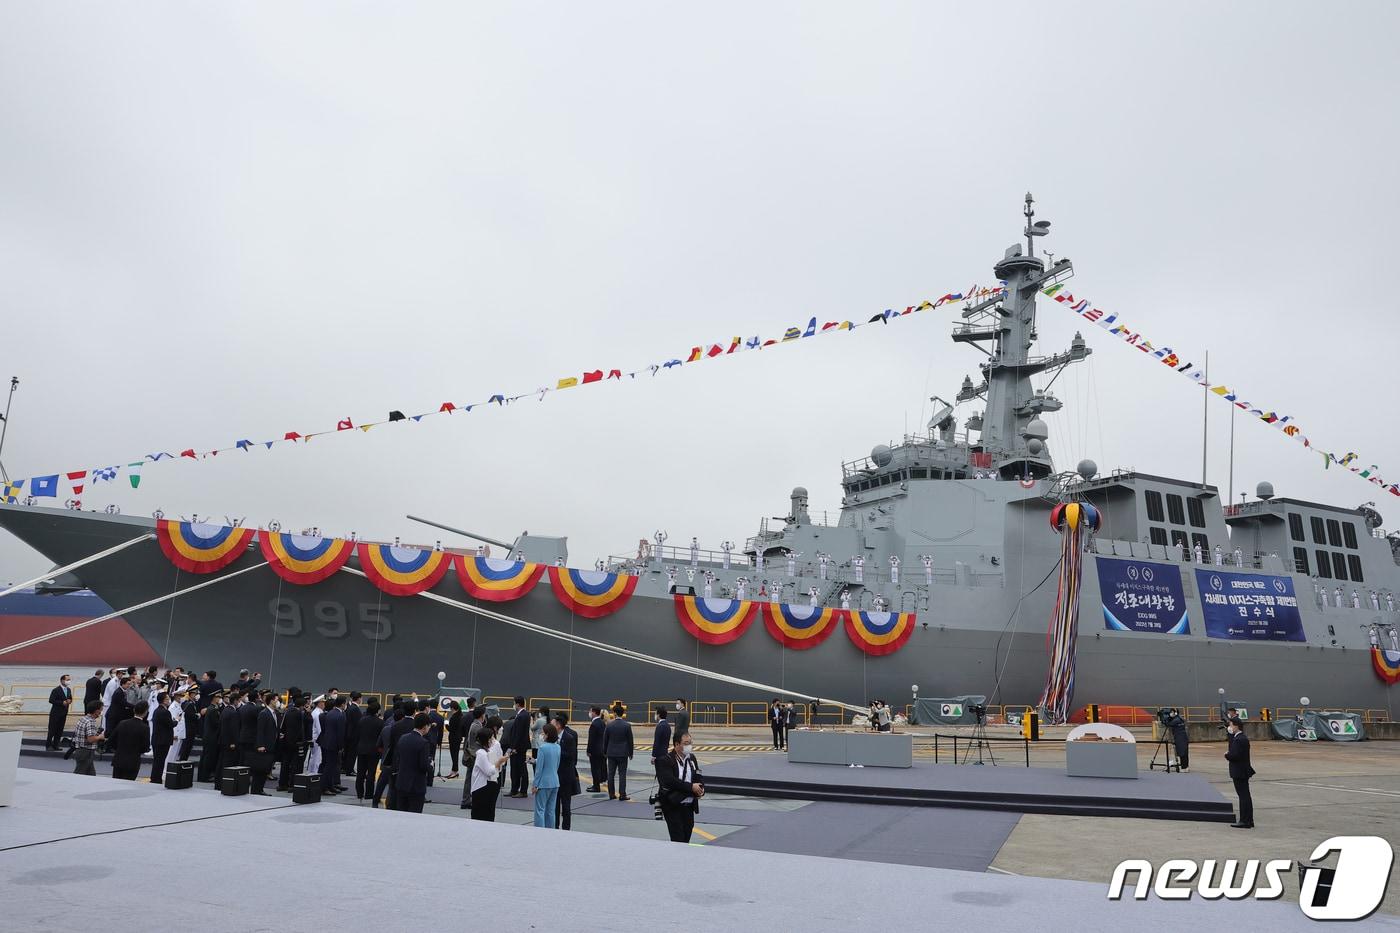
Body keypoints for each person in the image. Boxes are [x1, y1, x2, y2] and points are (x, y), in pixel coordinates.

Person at [655, 732, 704, 843]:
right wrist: (691, 787)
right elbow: (670, 781)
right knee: (678, 839)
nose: (689, 746)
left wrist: (701, 788)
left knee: (686, 838)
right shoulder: (665, 760)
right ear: (677, 744)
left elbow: (698, 775)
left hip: (689, 806)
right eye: (686, 743)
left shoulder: (692, 758)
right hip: (673, 806)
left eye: (690, 743)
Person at [393, 713, 434, 813]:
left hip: (402, 782)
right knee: (415, 815)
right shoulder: (423, 743)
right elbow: (423, 765)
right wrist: (431, 765)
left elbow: (398, 758)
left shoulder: (403, 738)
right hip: (416, 785)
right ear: (425, 727)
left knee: (401, 813)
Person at [468, 717, 506, 821]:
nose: (492, 740)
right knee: (482, 814)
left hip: (486, 786)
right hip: (482, 787)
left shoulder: (485, 752)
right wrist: (499, 762)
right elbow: (489, 771)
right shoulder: (481, 753)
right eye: (490, 739)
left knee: (487, 813)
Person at [372, 706, 406, 809]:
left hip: (385, 761)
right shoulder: (402, 731)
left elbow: (379, 745)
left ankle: (375, 800)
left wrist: (384, 754)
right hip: (397, 762)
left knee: (381, 783)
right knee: (394, 786)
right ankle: (391, 803)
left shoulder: (386, 729)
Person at [1224, 717, 1255, 828]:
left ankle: (1244, 820)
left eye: (1231, 725)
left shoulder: (1239, 739)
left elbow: (1235, 755)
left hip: (1239, 771)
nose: (1230, 727)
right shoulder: (1240, 738)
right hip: (1242, 770)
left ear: (1236, 726)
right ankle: (1248, 820)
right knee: (1245, 796)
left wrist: (1227, 755)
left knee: (1243, 796)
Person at [551, 711, 579, 830]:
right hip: (555, 775)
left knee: (566, 805)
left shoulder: (569, 738)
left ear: (558, 725)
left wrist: (556, 750)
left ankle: (566, 828)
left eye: (553, 725)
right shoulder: (553, 738)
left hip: (566, 777)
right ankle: (555, 825)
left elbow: (571, 755)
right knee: (554, 804)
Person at [530, 722, 561, 828]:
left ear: (547, 734)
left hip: (543, 783)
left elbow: (539, 770)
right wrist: (535, 761)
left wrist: (535, 785)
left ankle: (539, 831)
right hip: (555, 782)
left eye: (543, 733)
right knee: (551, 810)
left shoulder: (542, 748)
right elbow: (555, 764)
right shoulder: (558, 747)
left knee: (540, 809)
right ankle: (550, 830)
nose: (541, 735)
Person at [249, 692, 279, 796]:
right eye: (276, 700)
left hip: (271, 745)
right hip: (264, 746)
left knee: (265, 768)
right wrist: (260, 745)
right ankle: (256, 789)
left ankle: (260, 789)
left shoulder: (274, 713)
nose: (277, 702)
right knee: (260, 769)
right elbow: (260, 730)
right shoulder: (264, 713)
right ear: (271, 701)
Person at [111, 700, 150, 780]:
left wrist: (118, 748)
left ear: (134, 710)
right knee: (128, 784)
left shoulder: (122, 723)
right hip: (133, 761)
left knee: (115, 783)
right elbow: (145, 747)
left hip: (119, 759)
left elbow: (112, 739)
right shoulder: (145, 728)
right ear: (145, 712)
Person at [354, 700, 384, 799]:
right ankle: (369, 794)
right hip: (374, 751)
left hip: (361, 749)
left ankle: (359, 793)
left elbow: (357, 735)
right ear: (377, 711)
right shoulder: (380, 722)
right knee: (371, 773)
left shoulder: (362, 720)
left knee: (360, 773)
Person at [279, 693, 308, 792]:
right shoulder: (300, 714)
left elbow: (283, 727)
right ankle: (292, 784)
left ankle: (282, 784)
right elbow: (300, 730)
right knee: (296, 765)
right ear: (302, 706)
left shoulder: (288, 711)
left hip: (286, 741)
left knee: (285, 764)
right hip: (296, 743)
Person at [604, 704, 633, 800]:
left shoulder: (609, 725)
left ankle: (611, 794)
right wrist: (631, 753)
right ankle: (622, 794)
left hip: (611, 753)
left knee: (610, 775)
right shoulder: (627, 726)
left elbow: (605, 740)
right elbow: (630, 740)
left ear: (615, 713)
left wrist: (605, 751)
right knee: (622, 774)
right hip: (623, 753)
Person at [319, 695, 347, 795]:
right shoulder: (341, 715)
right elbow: (341, 733)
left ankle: (330, 786)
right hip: (334, 744)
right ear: (343, 704)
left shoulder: (330, 713)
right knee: (330, 767)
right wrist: (341, 746)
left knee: (328, 765)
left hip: (326, 742)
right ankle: (325, 787)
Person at [72, 700, 105, 776]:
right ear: (96, 711)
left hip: (80, 750)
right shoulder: (90, 722)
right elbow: (90, 739)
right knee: (79, 775)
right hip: (86, 752)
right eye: (101, 710)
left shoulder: (83, 719)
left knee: (91, 775)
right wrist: (100, 737)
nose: (101, 713)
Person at [507, 697, 532, 798]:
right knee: (515, 768)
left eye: (514, 704)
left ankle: (523, 791)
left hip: (519, 747)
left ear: (517, 704)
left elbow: (519, 733)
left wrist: (514, 747)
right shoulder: (523, 714)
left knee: (521, 768)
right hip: (519, 746)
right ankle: (514, 789)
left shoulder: (522, 716)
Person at [197, 691, 223, 782]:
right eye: (218, 697)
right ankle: (205, 776)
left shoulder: (212, 708)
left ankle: (203, 775)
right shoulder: (213, 709)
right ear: (214, 698)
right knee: (208, 757)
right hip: (211, 737)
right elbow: (216, 723)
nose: (219, 699)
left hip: (209, 736)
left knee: (207, 756)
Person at [150, 692, 175, 785]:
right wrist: (176, 720)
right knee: (160, 761)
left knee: (157, 761)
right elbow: (170, 724)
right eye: (167, 699)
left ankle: (155, 778)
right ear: (163, 701)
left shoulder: (157, 710)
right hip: (163, 740)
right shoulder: (165, 712)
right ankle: (156, 779)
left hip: (157, 739)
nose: (169, 700)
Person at [46, 674, 73, 750]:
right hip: (55, 713)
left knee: (60, 730)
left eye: (69, 680)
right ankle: (48, 745)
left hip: (64, 713)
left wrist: (69, 701)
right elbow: (51, 700)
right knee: (52, 730)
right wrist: (61, 703)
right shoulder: (56, 690)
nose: (68, 681)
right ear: (62, 680)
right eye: (67, 679)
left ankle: (56, 745)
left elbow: (70, 698)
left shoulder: (68, 690)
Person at [585, 705, 607, 793]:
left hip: (595, 750)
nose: (589, 713)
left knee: (595, 769)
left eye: (590, 711)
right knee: (600, 768)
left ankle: (596, 786)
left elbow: (591, 739)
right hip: (602, 749)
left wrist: (588, 750)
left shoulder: (594, 724)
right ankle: (597, 783)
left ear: (594, 712)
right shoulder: (602, 722)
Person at [342, 691, 363, 781]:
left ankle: (347, 768)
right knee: (352, 753)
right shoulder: (355, 709)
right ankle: (349, 770)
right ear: (358, 699)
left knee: (348, 753)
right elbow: (356, 724)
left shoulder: (350, 708)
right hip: (353, 735)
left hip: (348, 734)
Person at [1165, 708, 1190, 772]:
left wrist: (1167, 719)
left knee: (1182, 752)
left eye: (1172, 712)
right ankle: (1186, 767)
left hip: (1179, 737)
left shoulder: (1176, 720)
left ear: (1175, 713)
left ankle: (1184, 768)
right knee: (1185, 752)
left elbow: (1168, 724)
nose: (1171, 714)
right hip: (1183, 737)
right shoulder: (1180, 718)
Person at [445, 701, 464, 779]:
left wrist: (446, 725)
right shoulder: (461, 715)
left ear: (452, 708)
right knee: (455, 755)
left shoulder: (454, 717)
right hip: (458, 737)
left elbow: (452, 729)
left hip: (454, 738)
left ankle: (455, 771)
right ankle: (453, 771)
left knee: (454, 755)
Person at [651, 708, 672, 776]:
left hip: (659, 755)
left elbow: (656, 742)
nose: (655, 715)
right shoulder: (668, 725)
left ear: (659, 715)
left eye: (656, 713)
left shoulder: (659, 726)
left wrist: (654, 756)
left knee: (659, 774)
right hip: (665, 752)